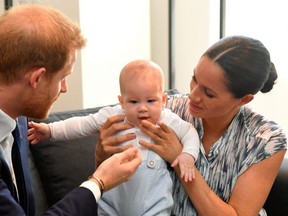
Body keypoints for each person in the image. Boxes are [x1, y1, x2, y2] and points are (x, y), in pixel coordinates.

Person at [95, 36, 287, 216]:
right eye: (194, 79)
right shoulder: (165, 110)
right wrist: (102, 154)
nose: (193, 95)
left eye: (209, 93)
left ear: (244, 99)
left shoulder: (267, 139)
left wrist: (180, 160)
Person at [0, 4, 141, 216]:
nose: (64, 88)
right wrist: (98, 182)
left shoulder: (18, 117)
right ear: (37, 78)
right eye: (63, 78)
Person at [28, 59, 200, 216]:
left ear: (163, 100)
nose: (143, 108)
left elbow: (189, 133)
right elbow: (82, 125)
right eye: (134, 102)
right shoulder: (114, 115)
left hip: (154, 207)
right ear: (122, 101)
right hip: (112, 206)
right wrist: (50, 130)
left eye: (150, 101)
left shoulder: (167, 119)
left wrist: (187, 156)